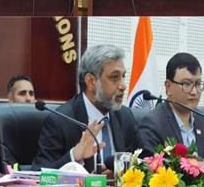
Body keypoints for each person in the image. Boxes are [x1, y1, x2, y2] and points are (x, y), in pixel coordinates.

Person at [32, 44, 138, 173]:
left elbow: (141, 162)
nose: (123, 85)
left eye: (123, 76)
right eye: (114, 77)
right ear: (91, 81)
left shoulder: (125, 117)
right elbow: (39, 174)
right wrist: (74, 156)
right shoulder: (60, 121)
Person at [138, 52, 204, 158]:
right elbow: (151, 166)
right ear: (168, 87)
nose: (194, 92)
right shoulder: (152, 125)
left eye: (198, 84)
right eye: (186, 84)